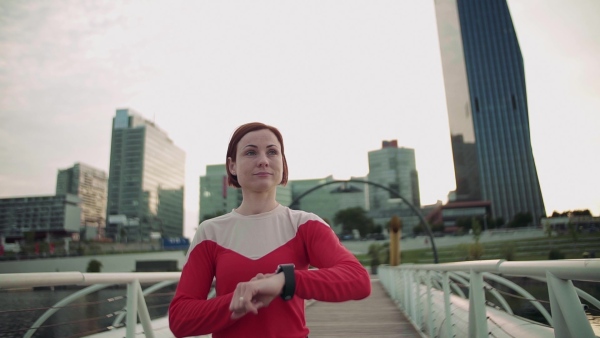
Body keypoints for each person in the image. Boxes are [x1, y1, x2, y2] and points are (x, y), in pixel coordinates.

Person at [169, 122, 371, 338]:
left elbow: (358, 280)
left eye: (272, 152)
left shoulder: (304, 224)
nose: (263, 160)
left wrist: (284, 280)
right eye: (250, 152)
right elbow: (180, 319)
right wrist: (237, 302)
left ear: (282, 163)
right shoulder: (210, 232)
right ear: (232, 166)